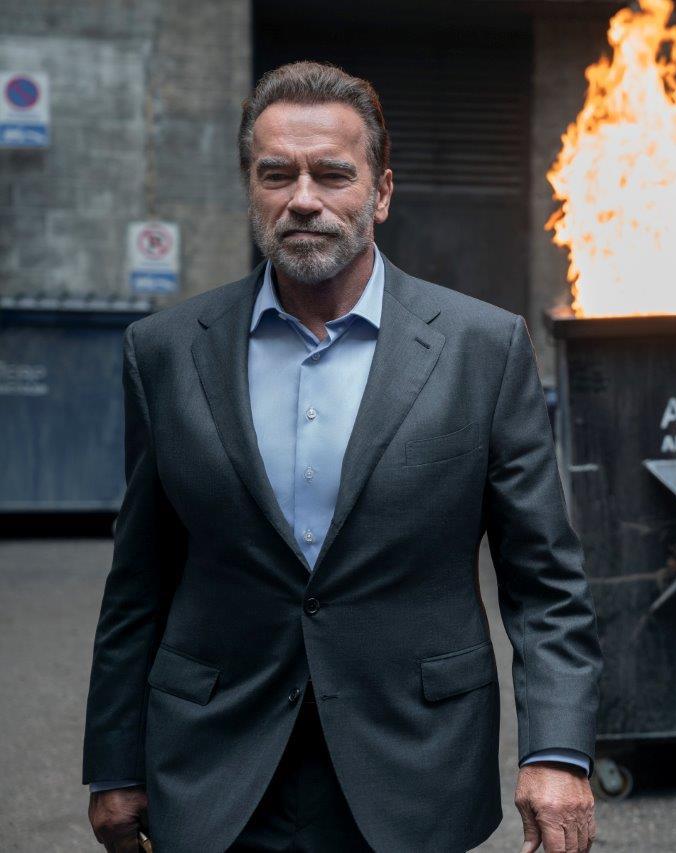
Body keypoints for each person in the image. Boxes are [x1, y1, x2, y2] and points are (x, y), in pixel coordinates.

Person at [82, 61, 602, 853]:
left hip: (413, 763)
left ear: (381, 192)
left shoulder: (483, 348)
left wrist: (556, 751)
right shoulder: (164, 351)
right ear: (251, 189)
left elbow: (545, 581)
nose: (303, 198)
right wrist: (114, 763)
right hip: (216, 767)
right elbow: (140, 578)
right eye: (276, 174)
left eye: (332, 174)